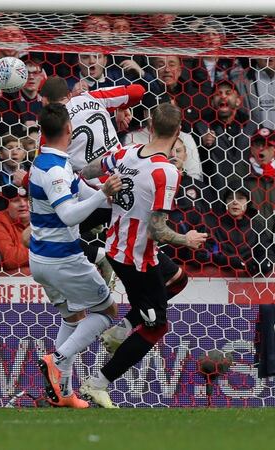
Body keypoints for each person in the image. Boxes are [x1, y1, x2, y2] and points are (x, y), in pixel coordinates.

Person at [77, 103, 208, 408]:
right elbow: (158, 230)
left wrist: (94, 182)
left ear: (150, 125)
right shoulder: (167, 172)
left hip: (116, 244)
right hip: (135, 258)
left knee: (177, 278)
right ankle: (98, 384)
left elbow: (91, 169)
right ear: (178, 134)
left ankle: (119, 332)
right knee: (157, 326)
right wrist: (186, 239)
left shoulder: (127, 152)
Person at [30, 103, 124, 409]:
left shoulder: (48, 161)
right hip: (63, 258)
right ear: (69, 129)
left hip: (42, 259)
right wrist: (102, 194)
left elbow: (81, 192)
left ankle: (63, 393)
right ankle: (56, 360)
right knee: (107, 311)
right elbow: (70, 214)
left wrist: (115, 201)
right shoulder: (55, 170)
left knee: (73, 317)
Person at [0, 186, 30, 270]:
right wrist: (44, 249)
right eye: (16, 201)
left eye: (26, 199)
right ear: (7, 206)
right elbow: (10, 259)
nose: (23, 204)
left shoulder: (43, 219)